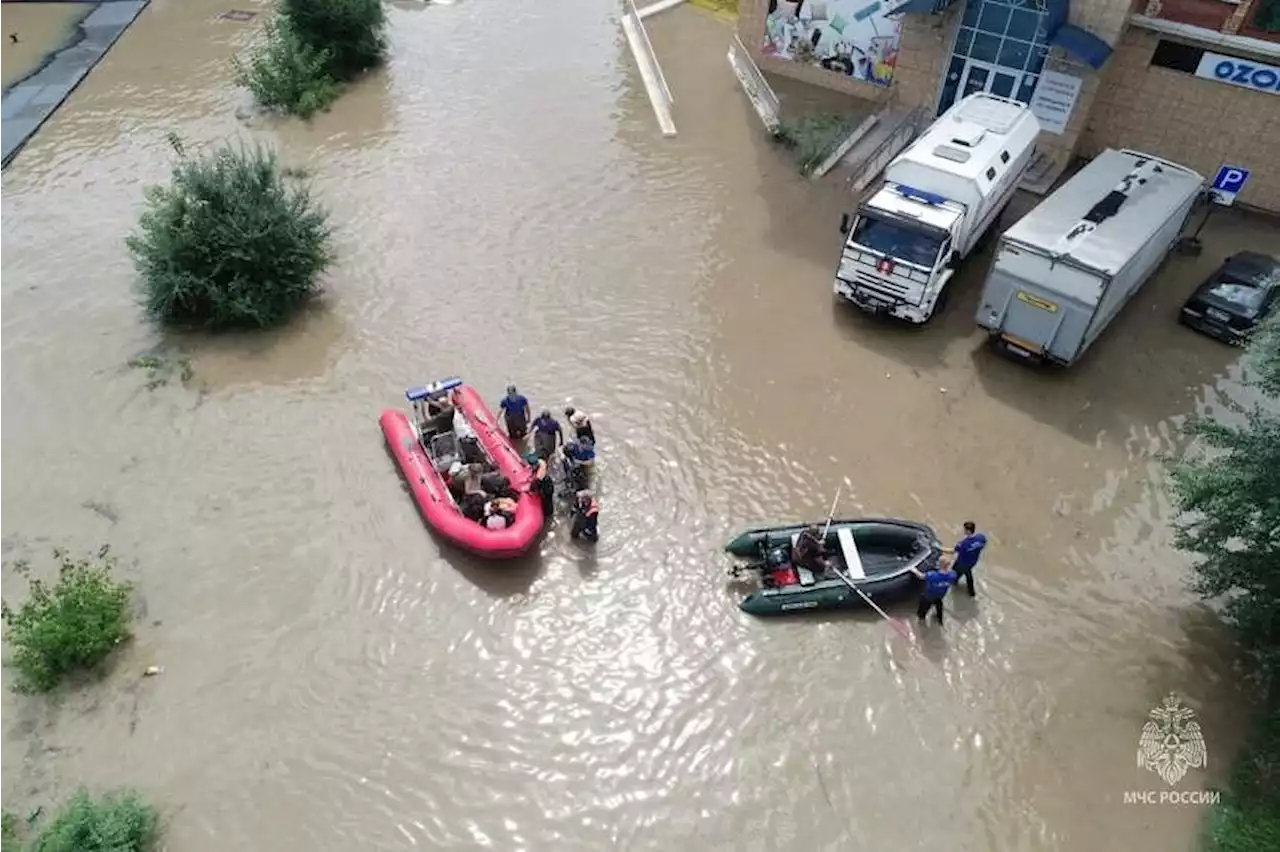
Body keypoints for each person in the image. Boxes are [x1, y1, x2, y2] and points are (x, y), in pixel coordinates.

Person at [945, 521, 988, 598]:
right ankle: (971, 592)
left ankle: (953, 586)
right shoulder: (981, 537)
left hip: (962, 563)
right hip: (972, 562)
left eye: (964, 529)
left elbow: (952, 551)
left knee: (955, 574)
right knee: (968, 573)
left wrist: (939, 548)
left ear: (968, 531)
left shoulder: (964, 543)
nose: (963, 531)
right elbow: (983, 545)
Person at [912, 556, 958, 625]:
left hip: (928, 596)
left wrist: (913, 570)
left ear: (939, 564)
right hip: (940, 595)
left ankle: (921, 619)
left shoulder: (932, 575)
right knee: (938, 604)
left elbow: (921, 576)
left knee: (922, 611)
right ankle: (940, 620)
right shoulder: (953, 574)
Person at [525, 452, 555, 518]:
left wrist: (527, 490)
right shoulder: (541, 462)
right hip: (548, 482)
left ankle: (548, 514)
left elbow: (533, 486)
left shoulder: (539, 475)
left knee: (547, 502)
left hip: (546, 488)